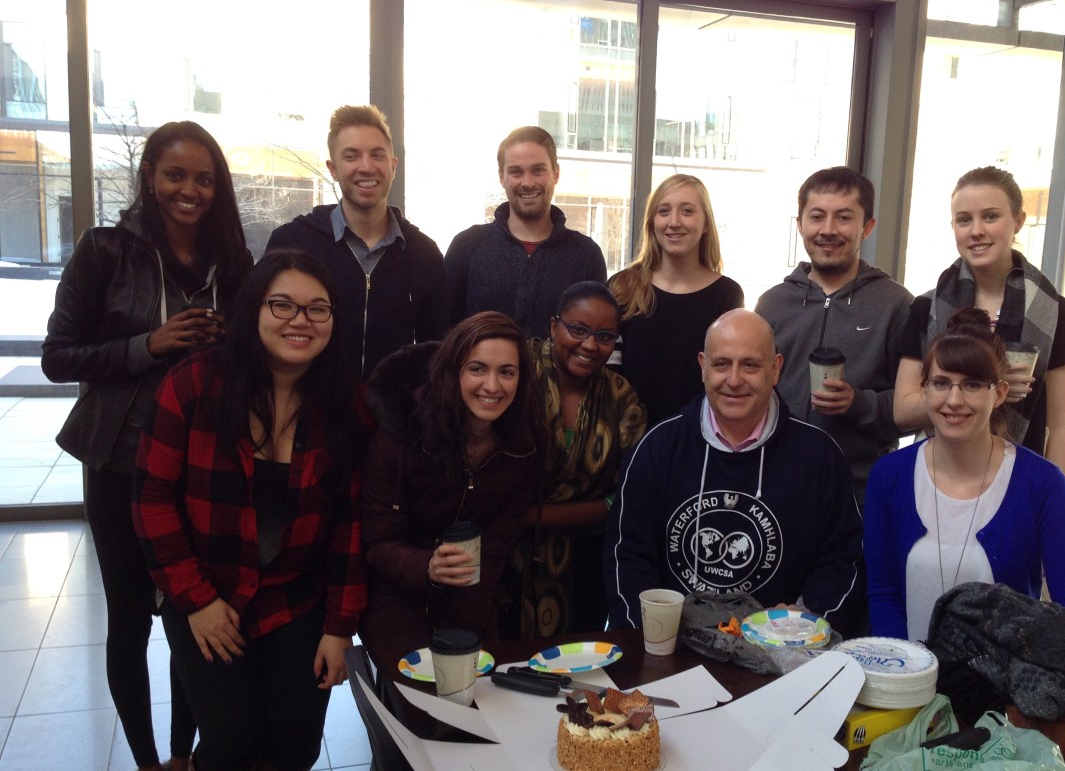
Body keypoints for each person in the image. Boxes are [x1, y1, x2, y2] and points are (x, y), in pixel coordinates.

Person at [132, 249, 370, 771]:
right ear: (254, 309)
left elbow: (350, 521)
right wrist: (196, 600)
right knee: (232, 733)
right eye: (283, 304)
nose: (301, 320)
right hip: (207, 595)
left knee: (296, 734)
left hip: (297, 596)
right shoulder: (193, 383)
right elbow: (151, 499)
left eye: (318, 308)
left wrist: (339, 626)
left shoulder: (344, 405)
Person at [42, 120, 251, 771]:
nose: (189, 190)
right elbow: (58, 356)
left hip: (203, 461)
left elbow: (257, 345)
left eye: (203, 178)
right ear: (149, 178)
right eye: (174, 175)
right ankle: (150, 768)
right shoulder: (106, 250)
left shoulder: (231, 256)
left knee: (193, 614)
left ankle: (189, 758)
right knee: (131, 616)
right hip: (122, 458)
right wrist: (149, 344)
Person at [605, 309, 863, 634]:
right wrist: (652, 640)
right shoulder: (655, 450)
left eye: (750, 364)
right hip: (673, 653)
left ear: (776, 369)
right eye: (721, 363)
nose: (734, 379)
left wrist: (803, 621)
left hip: (783, 655)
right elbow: (626, 560)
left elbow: (843, 561)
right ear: (702, 366)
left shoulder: (820, 457)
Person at [865, 308, 1065, 643]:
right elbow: (883, 593)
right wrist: (904, 674)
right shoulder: (889, 476)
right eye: (941, 383)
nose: (954, 400)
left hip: (1005, 690)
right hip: (910, 684)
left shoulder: (1041, 484)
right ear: (924, 390)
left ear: (1000, 393)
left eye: (973, 385)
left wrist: (1023, 691)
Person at [358, 311, 545, 671]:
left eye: (507, 372)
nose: (492, 386)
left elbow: (498, 542)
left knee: (480, 698)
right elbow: (377, 542)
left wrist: (468, 622)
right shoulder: (401, 434)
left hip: (472, 593)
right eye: (477, 369)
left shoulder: (526, 443)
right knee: (416, 702)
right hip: (396, 592)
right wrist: (428, 568)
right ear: (453, 371)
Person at [893, 166, 1065, 477]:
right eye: (964, 219)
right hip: (938, 476)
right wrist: (988, 379)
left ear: (1019, 221)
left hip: (1020, 479)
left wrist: (1053, 500)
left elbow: (1062, 425)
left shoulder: (1053, 312)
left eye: (991, 216)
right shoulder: (927, 308)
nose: (976, 230)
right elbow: (902, 412)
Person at [756, 166, 912, 505]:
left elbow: (919, 402)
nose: (828, 230)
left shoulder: (897, 305)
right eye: (816, 217)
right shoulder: (772, 304)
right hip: (774, 484)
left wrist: (860, 403)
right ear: (800, 225)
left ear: (867, 227)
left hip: (861, 492)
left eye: (843, 217)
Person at [267, 104, 449, 378]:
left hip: (391, 416)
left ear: (393, 166)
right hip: (309, 413)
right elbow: (263, 334)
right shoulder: (292, 242)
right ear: (333, 168)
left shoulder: (423, 254)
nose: (366, 167)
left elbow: (437, 355)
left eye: (377, 155)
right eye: (351, 156)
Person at [510, 281, 646, 636]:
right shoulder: (513, 375)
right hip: (505, 556)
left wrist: (533, 516)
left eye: (604, 336)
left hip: (586, 561)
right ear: (554, 325)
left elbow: (632, 496)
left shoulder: (621, 398)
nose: (589, 345)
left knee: (574, 668)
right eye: (578, 329)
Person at [445, 126, 607, 338]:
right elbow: (445, 337)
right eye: (516, 172)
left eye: (538, 170)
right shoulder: (467, 247)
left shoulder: (587, 255)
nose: (528, 183)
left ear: (556, 173)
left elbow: (597, 339)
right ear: (502, 177)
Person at [609, 174, 744, 425]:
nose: (674, 222)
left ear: (705, 224)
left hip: (697, 437)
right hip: (627, 439)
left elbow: (726, 377)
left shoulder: (726, 294)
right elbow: (608, 374)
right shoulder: (622, 287)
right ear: (652, 223)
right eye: (664, 211)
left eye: (687, 211)